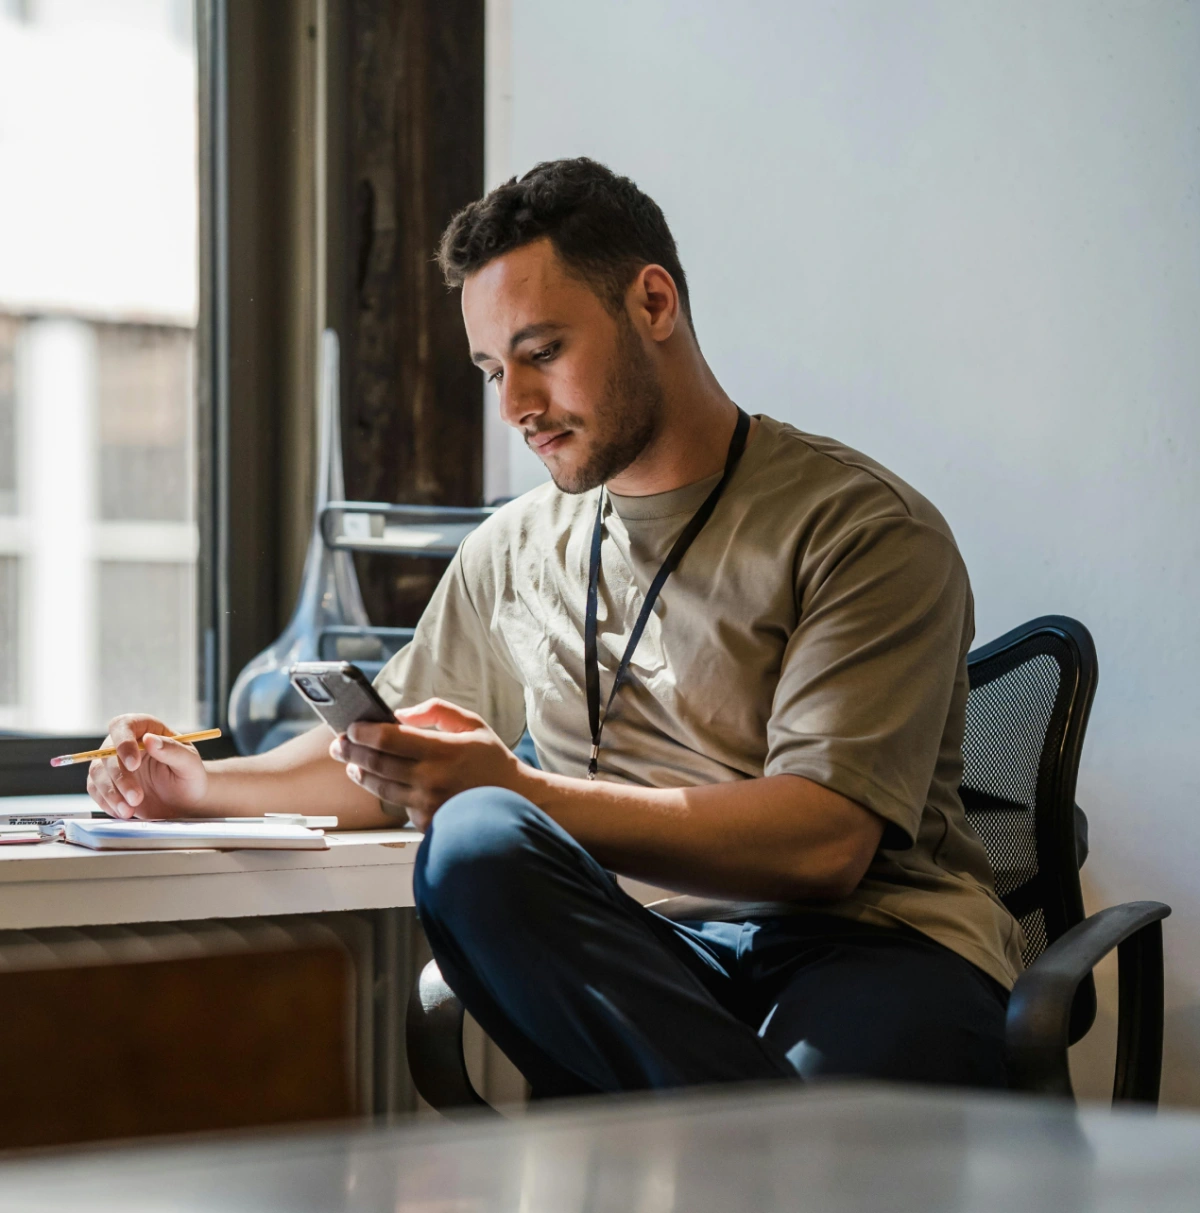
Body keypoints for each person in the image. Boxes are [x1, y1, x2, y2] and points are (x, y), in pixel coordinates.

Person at [87, 157, 1022, 1095]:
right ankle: (759, 1147)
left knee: (501, 816)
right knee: (475, 838)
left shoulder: (860, 527)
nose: (514, 407)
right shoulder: (516, 547)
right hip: (644, 956)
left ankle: (736, 1150)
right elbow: (382, 760)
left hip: (871, 946)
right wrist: (195, 787)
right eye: (494, 369)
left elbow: (822, 845)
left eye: (540, 353)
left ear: (654, 303)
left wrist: (519, 785)